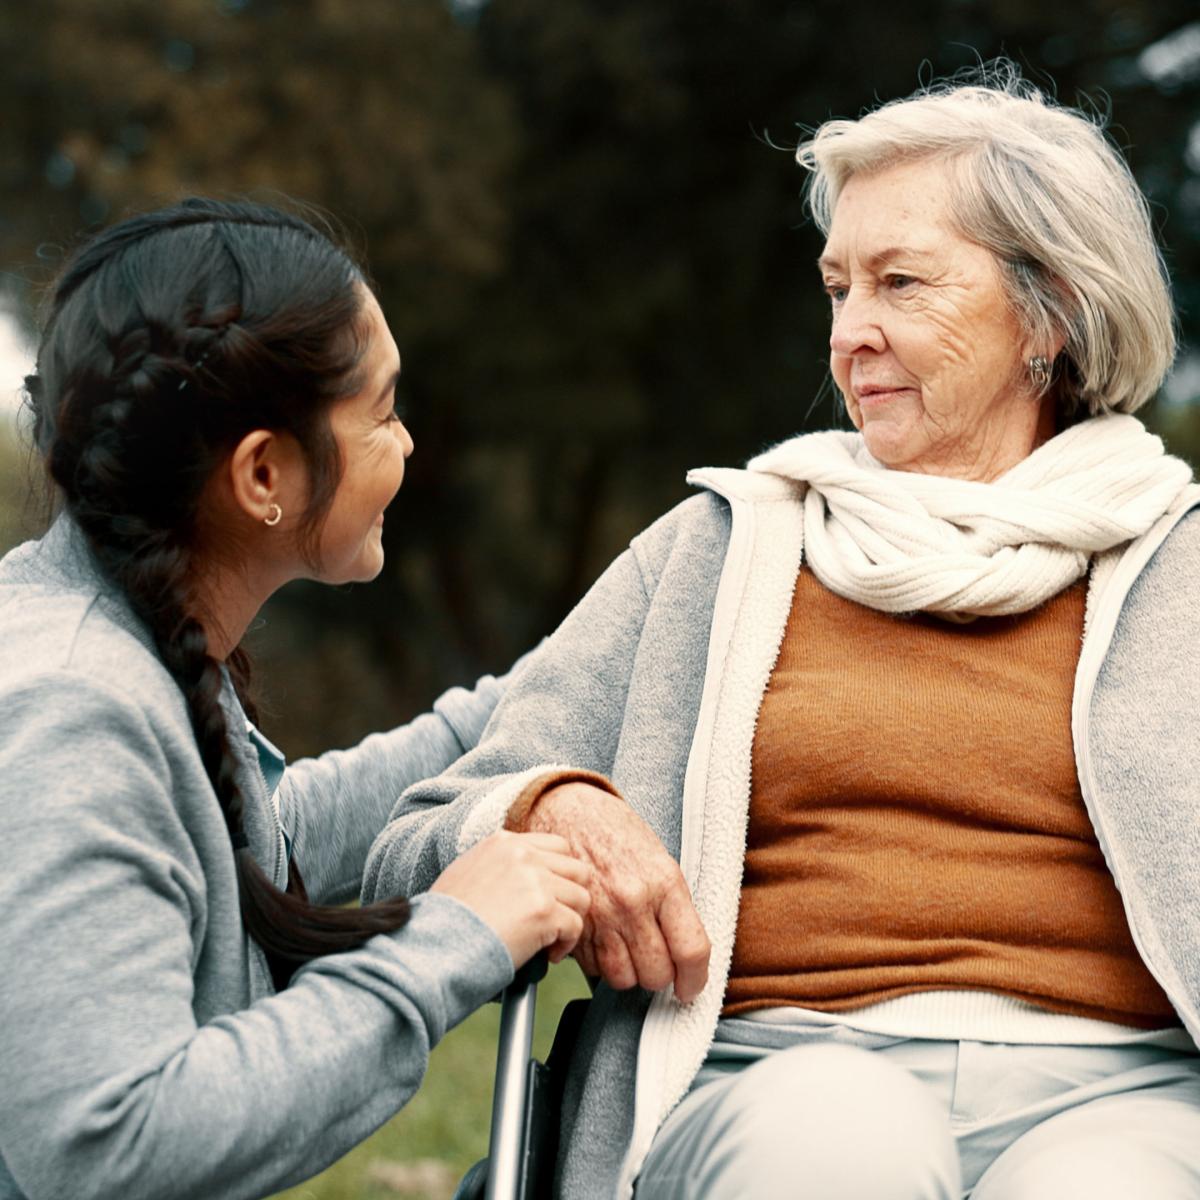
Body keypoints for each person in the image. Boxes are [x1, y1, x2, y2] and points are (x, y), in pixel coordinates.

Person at [363, 65, 1200, 1200]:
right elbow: (421, 831)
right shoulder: (721, 547)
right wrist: (550, 803)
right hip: (774, 1070)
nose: (850, 334)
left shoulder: (1179, 561)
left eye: (900, 283)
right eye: (837, 288)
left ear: (1050, 310)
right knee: (835, 1141)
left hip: (1129, 1095)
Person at [0, 198, 592, 1200]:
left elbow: (250, 858)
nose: (405, 446)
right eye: (383, 411)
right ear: (264, 472)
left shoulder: (117, 640)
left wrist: (579, 685)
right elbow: (109, 1145)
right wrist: (455, 942)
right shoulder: (69, 712)